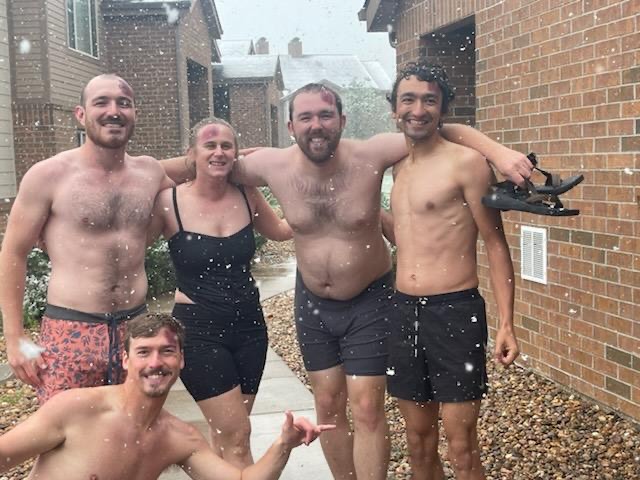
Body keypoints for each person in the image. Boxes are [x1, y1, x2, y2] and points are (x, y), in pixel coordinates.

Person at [0, 74, 174, 404]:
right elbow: (13, 253)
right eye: (101, 102)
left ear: (135, 113)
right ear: (80, 114)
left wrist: (228, 160)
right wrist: (15, 338)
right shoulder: (48, 175)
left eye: (124, 103)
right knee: (65, 443)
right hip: (70, 330)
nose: (114, 111)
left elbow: (192, 189)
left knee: (136, 438)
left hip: (137, 331)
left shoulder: (150, 174)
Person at [383, 63, 519, 480]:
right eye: (408, 99)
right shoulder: (397, 168)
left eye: (429, 100)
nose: (418, 109)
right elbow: (410, 235)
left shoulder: (467, 163)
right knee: (418, 442)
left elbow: (496, 245)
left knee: (462, 447)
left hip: (455, 312)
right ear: (395, 109)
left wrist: (506, 324)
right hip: (403, 312)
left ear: (442, 109)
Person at [0, 312, 333, 480]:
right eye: (144, 352)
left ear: (181, 360)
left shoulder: (179, 438)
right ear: (126, 360)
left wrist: (284, 444)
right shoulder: (75, 410)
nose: (156, 363)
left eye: (167, 352)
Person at [147, 117, 293, 468]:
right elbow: (127, 243)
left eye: (227, 145)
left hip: (250, 328)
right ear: (191, 154)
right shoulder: (168, 202)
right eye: (209, 145)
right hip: (199, 331)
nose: (219, 152)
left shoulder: (246, 193)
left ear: (237, 154)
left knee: (226, 434)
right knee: (238, 435)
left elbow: (283, 231)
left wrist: (318, 203)